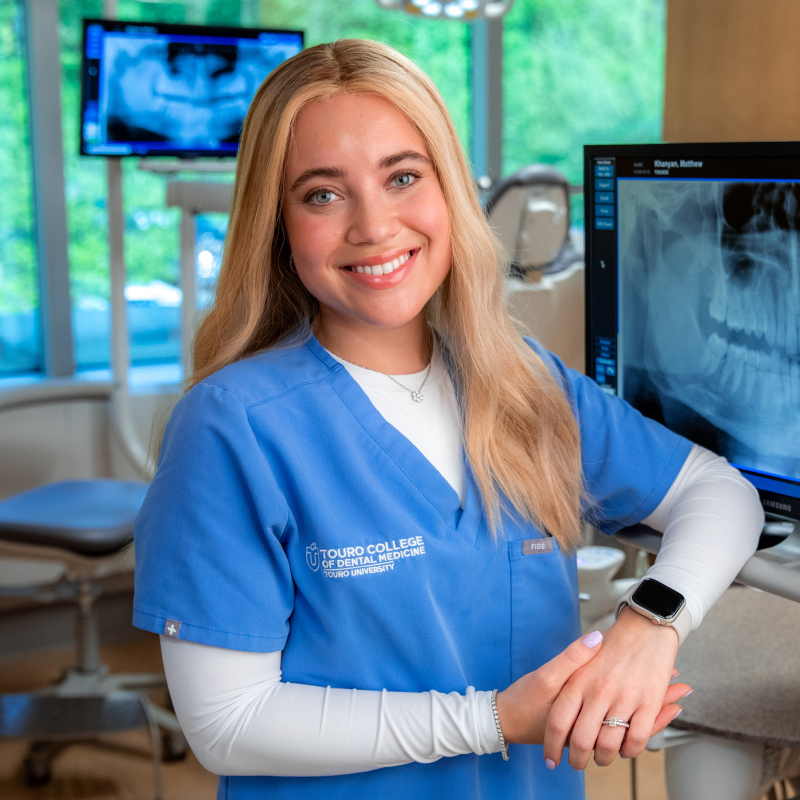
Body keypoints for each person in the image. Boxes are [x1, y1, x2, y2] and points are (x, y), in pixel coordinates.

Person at [132, 39, 765, 800]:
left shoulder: (521, 383)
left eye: (402, 176)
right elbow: (227, 725)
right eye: (323, 194)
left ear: (451, 190)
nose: (373, 225)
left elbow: (721, 494)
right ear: (278, 224)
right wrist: (493, 720)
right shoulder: (233, 427)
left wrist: (650, 623)